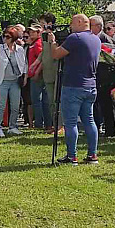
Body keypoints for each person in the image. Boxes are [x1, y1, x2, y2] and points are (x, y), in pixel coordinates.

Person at [47, 14, 102, 164]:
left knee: (70, 122)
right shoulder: (96, 39)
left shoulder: (75, 38)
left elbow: (56, 54)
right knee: (89, 120)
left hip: (73, 85)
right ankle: (92, 155)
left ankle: (72, 156)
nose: (70, 27)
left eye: (72, 23)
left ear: (79, 22)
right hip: (90, 85)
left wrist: (52, 42)